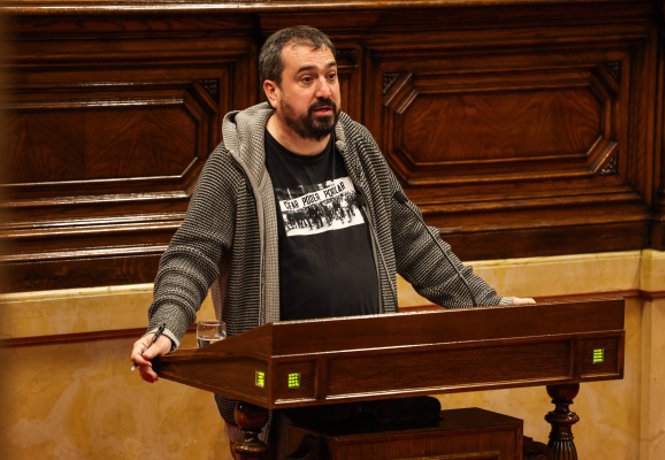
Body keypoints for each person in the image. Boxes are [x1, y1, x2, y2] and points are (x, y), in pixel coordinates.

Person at [130, 25, 534, 455]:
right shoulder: (234, 165)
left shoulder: (357, 146)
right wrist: (167, 325)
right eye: (307, 79)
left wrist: (487, 307)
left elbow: (413, 239)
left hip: (367, 385)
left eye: (331, 75)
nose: (325, 90)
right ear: (273, 90)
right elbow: (192, 255)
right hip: (278, 399)